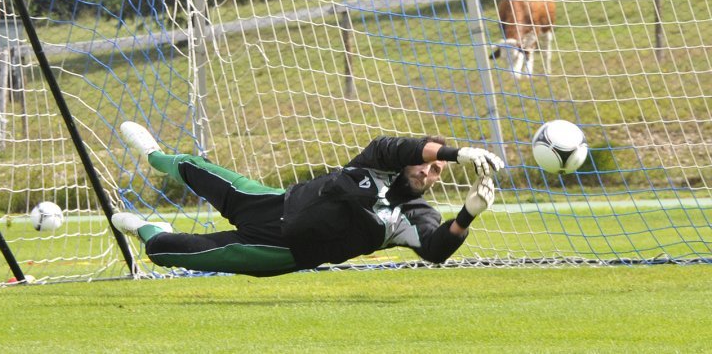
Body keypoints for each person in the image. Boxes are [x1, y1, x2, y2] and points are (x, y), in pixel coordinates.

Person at [112, 121, 504, 277]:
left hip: (279, 251)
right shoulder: (379, 161)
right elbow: (399, 146)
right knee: (193, 167)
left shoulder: (415, 216)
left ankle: (152, 228)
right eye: (427, 164)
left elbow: (435, 250)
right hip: (271, 202)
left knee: (165, 250)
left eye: (437, 172)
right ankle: (154, 156)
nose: (427, 172)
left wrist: (468, 213)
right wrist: (456, 153)